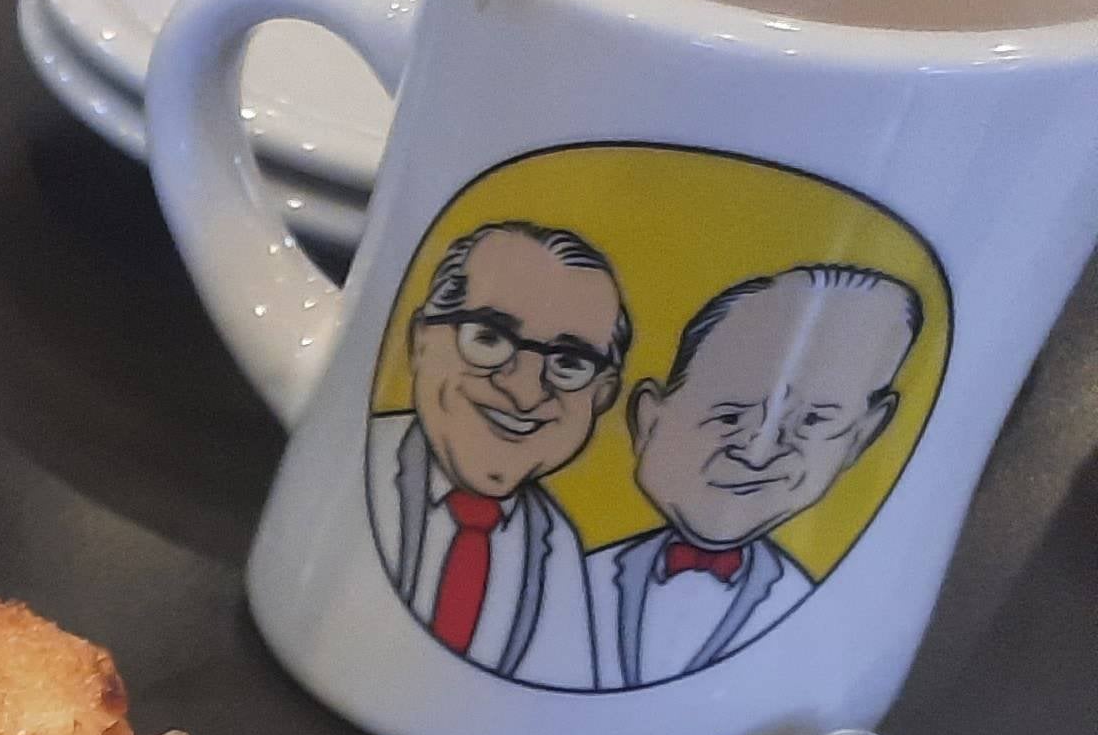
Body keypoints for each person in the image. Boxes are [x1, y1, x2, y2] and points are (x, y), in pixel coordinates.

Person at [589, 264, 924, 689]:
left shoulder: (820, 619)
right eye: (729, 415)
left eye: (813, 420)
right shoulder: (566, 571)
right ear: (650, 418)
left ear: (862, 435)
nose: (758, 453)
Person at [362, 222, 629, 688]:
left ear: (601, 396)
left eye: (568, 363)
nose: (525, 392)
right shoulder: (360, 469)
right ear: (421, 340)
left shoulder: (560, 549)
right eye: (488, 338)